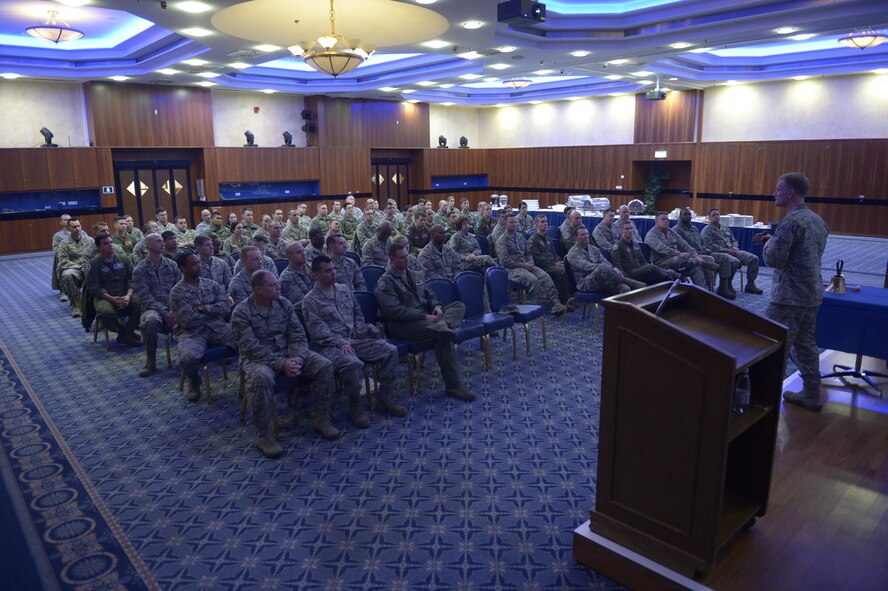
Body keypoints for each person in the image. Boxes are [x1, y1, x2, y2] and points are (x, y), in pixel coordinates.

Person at [232, 270, 338, 458]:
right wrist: (282, 364)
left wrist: (297, 358)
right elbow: (250, 348)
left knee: (324, 365)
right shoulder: (242, 312)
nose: (278, 286)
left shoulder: (284, 303)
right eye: (273, 285)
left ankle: (321, 418)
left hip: (289, 354)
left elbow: (297, 335)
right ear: (258, 289)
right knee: (260, 378)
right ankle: (264, 435)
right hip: (259, 359)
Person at [303, 256, 406, 428]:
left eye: (334, 269)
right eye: (328, 271)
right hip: (329, 346)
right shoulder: (310, 300)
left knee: (390, 351)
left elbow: (357, 313)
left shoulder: (344, 290)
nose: (333, 273)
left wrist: (360, 330)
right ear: (316, 274)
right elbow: (318, 331)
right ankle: (355, 408)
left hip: (354, 339)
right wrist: (339, 342)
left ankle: (384, 399)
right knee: (352, 364)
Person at [755, 172, 829, 412]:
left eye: (778, 189)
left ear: (789, 193)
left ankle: (762, 397)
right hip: (811, 292)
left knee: (773, 344)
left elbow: (774, 259)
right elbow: (803, 252)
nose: (774, 193)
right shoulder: (817, 220)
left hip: (788, 296)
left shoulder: (790, 222)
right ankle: (811, 392)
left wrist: (768, 243)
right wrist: (774, 238)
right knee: (805, 343)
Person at [375, 243, 476, 402]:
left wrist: (436, 307)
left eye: (407, 255)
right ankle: (454, 385)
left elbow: (430, 295)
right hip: (403, 325)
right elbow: (393, 311)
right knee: (442, 336)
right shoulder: (385, 282)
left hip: (427, 320)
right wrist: (423, 317)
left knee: (458, 306)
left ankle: (443, 324)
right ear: (391, 259)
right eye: (402, 257)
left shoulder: (416, 275)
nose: (406, 259)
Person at [169, 252, 234, 402]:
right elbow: (187, 321)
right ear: (182, 268)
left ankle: (247, 379)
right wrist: (212, 310)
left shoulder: (211, 284)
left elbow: (225, 308)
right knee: (188, 358)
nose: (199, 266)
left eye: (198, 262)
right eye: (193, 264)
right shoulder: (177, 292)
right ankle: (194, 380)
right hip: (192, 333)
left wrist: (203, 308)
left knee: (246, 339)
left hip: (217, 327)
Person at [496, 214, 567, 314]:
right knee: (533, 280)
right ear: (505, 224)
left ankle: (556, 302)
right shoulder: (501, 241)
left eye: (515, 222)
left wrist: (530, 263)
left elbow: (528, 253)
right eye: (511, 222)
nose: (514, 224)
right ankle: (549, 304)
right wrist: (523, 265)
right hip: (512, 269)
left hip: (527, 265)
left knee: (545, 277)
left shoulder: (520, 237)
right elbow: (505, 261)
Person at [133, 233, 180, 377]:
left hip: (174, 306)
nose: (162, 243)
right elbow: (145, 296)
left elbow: (179, 288)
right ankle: (150, 361)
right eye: (158, 241)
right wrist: (164, 311)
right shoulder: (140, 269)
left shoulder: (171, 264)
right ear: (148, 246)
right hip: (152, 308)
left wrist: (173, 308)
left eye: (162, 241)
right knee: (150, 322)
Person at [87, 233, 141, 346]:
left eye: (111, 242)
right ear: (98, 247)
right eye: (106, 243)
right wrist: (112, 299)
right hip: (105, 297)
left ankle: (126, 333)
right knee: (106, 312)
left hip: (125, 294)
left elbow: (131, 279)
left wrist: (128, 295)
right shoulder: (94, 264)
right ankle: (123, 332)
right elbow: (94, 287)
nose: (110, 245)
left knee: (142, 303)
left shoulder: (124, 259)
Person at [673, 208, 737, 298]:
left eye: (689, 214)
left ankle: (723, 287)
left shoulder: (693, 228)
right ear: (679, 217)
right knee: (710, 259)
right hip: (691, 255)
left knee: (724, 258)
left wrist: (705, 249)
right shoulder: (676, 230)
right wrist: (699, 252)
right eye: (685, 214)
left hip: (702, 252)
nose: (688, 216)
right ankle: (707, 288)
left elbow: (700, 243)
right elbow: (681, 248)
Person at [702, 208, 764, 294]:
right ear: (709, 217)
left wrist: (735, 247)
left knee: (754, 259)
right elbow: (709, 246)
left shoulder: (725, 227)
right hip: (719, 254)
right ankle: (726, 285)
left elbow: (734, 240)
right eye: (714, 215)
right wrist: (727, 250)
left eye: (718, 214)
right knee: (734, 262)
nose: (716, 216)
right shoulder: (707, 230)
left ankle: (750, 284)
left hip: (733, 251)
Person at [567, 227, 644, 294]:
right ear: (575, 237)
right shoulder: (572, 253)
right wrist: (610, 269)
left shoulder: (593, 249)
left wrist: (613, 268)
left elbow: (604, 261)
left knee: (625, 289)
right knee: (603, 267)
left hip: (603, 279)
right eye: (582, 235)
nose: (586, 236)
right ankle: (630, 282)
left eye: (587, 234)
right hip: (585, 283)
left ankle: (621, 310)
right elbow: (587, 267)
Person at [644, 212, 710, 288]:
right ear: (656, 222)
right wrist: (679, 253)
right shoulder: (651, 234)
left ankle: (707, 290)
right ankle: (700, 290)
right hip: (661, 262)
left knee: (705, 260)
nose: (666, 221)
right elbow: (662, 249)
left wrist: (695, 255)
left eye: (667, 219)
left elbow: (684, 244)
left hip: (678, 259)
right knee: (684, 261)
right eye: (663, 219)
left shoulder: (671, 231)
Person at [610, 221, 679, 285]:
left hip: (640, 269)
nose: (630, 231)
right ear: (621, 231)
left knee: (660, 269)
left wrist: (647, 267)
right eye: (627, 229)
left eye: (631, 228)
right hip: (630, 272)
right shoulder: (618, 246)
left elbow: (643, 260)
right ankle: (674, 278)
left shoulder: (635, 244)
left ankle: (676, 278)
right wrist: (627, 279)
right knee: (651, 268)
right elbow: (617, 266)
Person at [527, 215, 571, 305]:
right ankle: (563, 300)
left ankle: (568, 296)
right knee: (563, 272)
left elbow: (555, 254)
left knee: (569, 267)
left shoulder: (548, 239)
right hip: (542, 267)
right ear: (536, 225)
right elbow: (538, 259)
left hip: (552, 265)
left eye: (546, 221)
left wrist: (560, 261)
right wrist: (554, 264)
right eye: (542, 222)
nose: (545, 223)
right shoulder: (533, 240)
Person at [56, 218, 90, 317]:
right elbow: (63, 261)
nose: (77, 229)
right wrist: (79, 268)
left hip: (89, 267)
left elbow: (96, 256)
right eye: (74, 227)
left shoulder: (89, 240)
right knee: (67, 275)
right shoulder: (64, 243)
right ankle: (76, 305)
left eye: (79, 226)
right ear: (68, 228)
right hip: (75, 269)